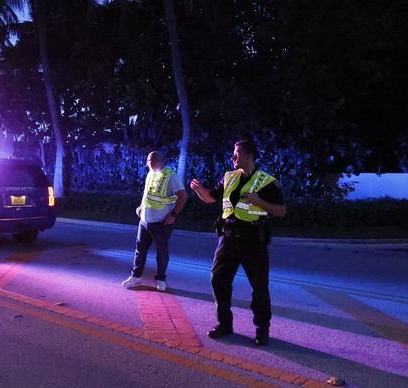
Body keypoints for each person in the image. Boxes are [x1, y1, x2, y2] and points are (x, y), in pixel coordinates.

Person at [190, 140, 286, 346]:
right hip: (227, 238)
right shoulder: (229, 178)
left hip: (253, 240)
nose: (233, 158)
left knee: (259, 287)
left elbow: (281, 210)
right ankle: (225, 324)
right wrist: (199, 190)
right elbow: (211, 198)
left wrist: (259, 201)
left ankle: (262, 329)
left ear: (249, 156)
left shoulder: (266, 182)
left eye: (237, 154)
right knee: (218, 279)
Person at [122, 151, 187, 292]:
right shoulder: (151, 173)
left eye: (148, 161)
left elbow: (183, 196)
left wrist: (174, 214)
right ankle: (136, 276)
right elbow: (147, 194)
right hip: (145, 221)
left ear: (155, 161)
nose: (146, 164)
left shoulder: (171, 176)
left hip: (161, 222)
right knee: (140, 250)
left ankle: (161, 279)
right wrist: (141, 206)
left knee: (161, 252)